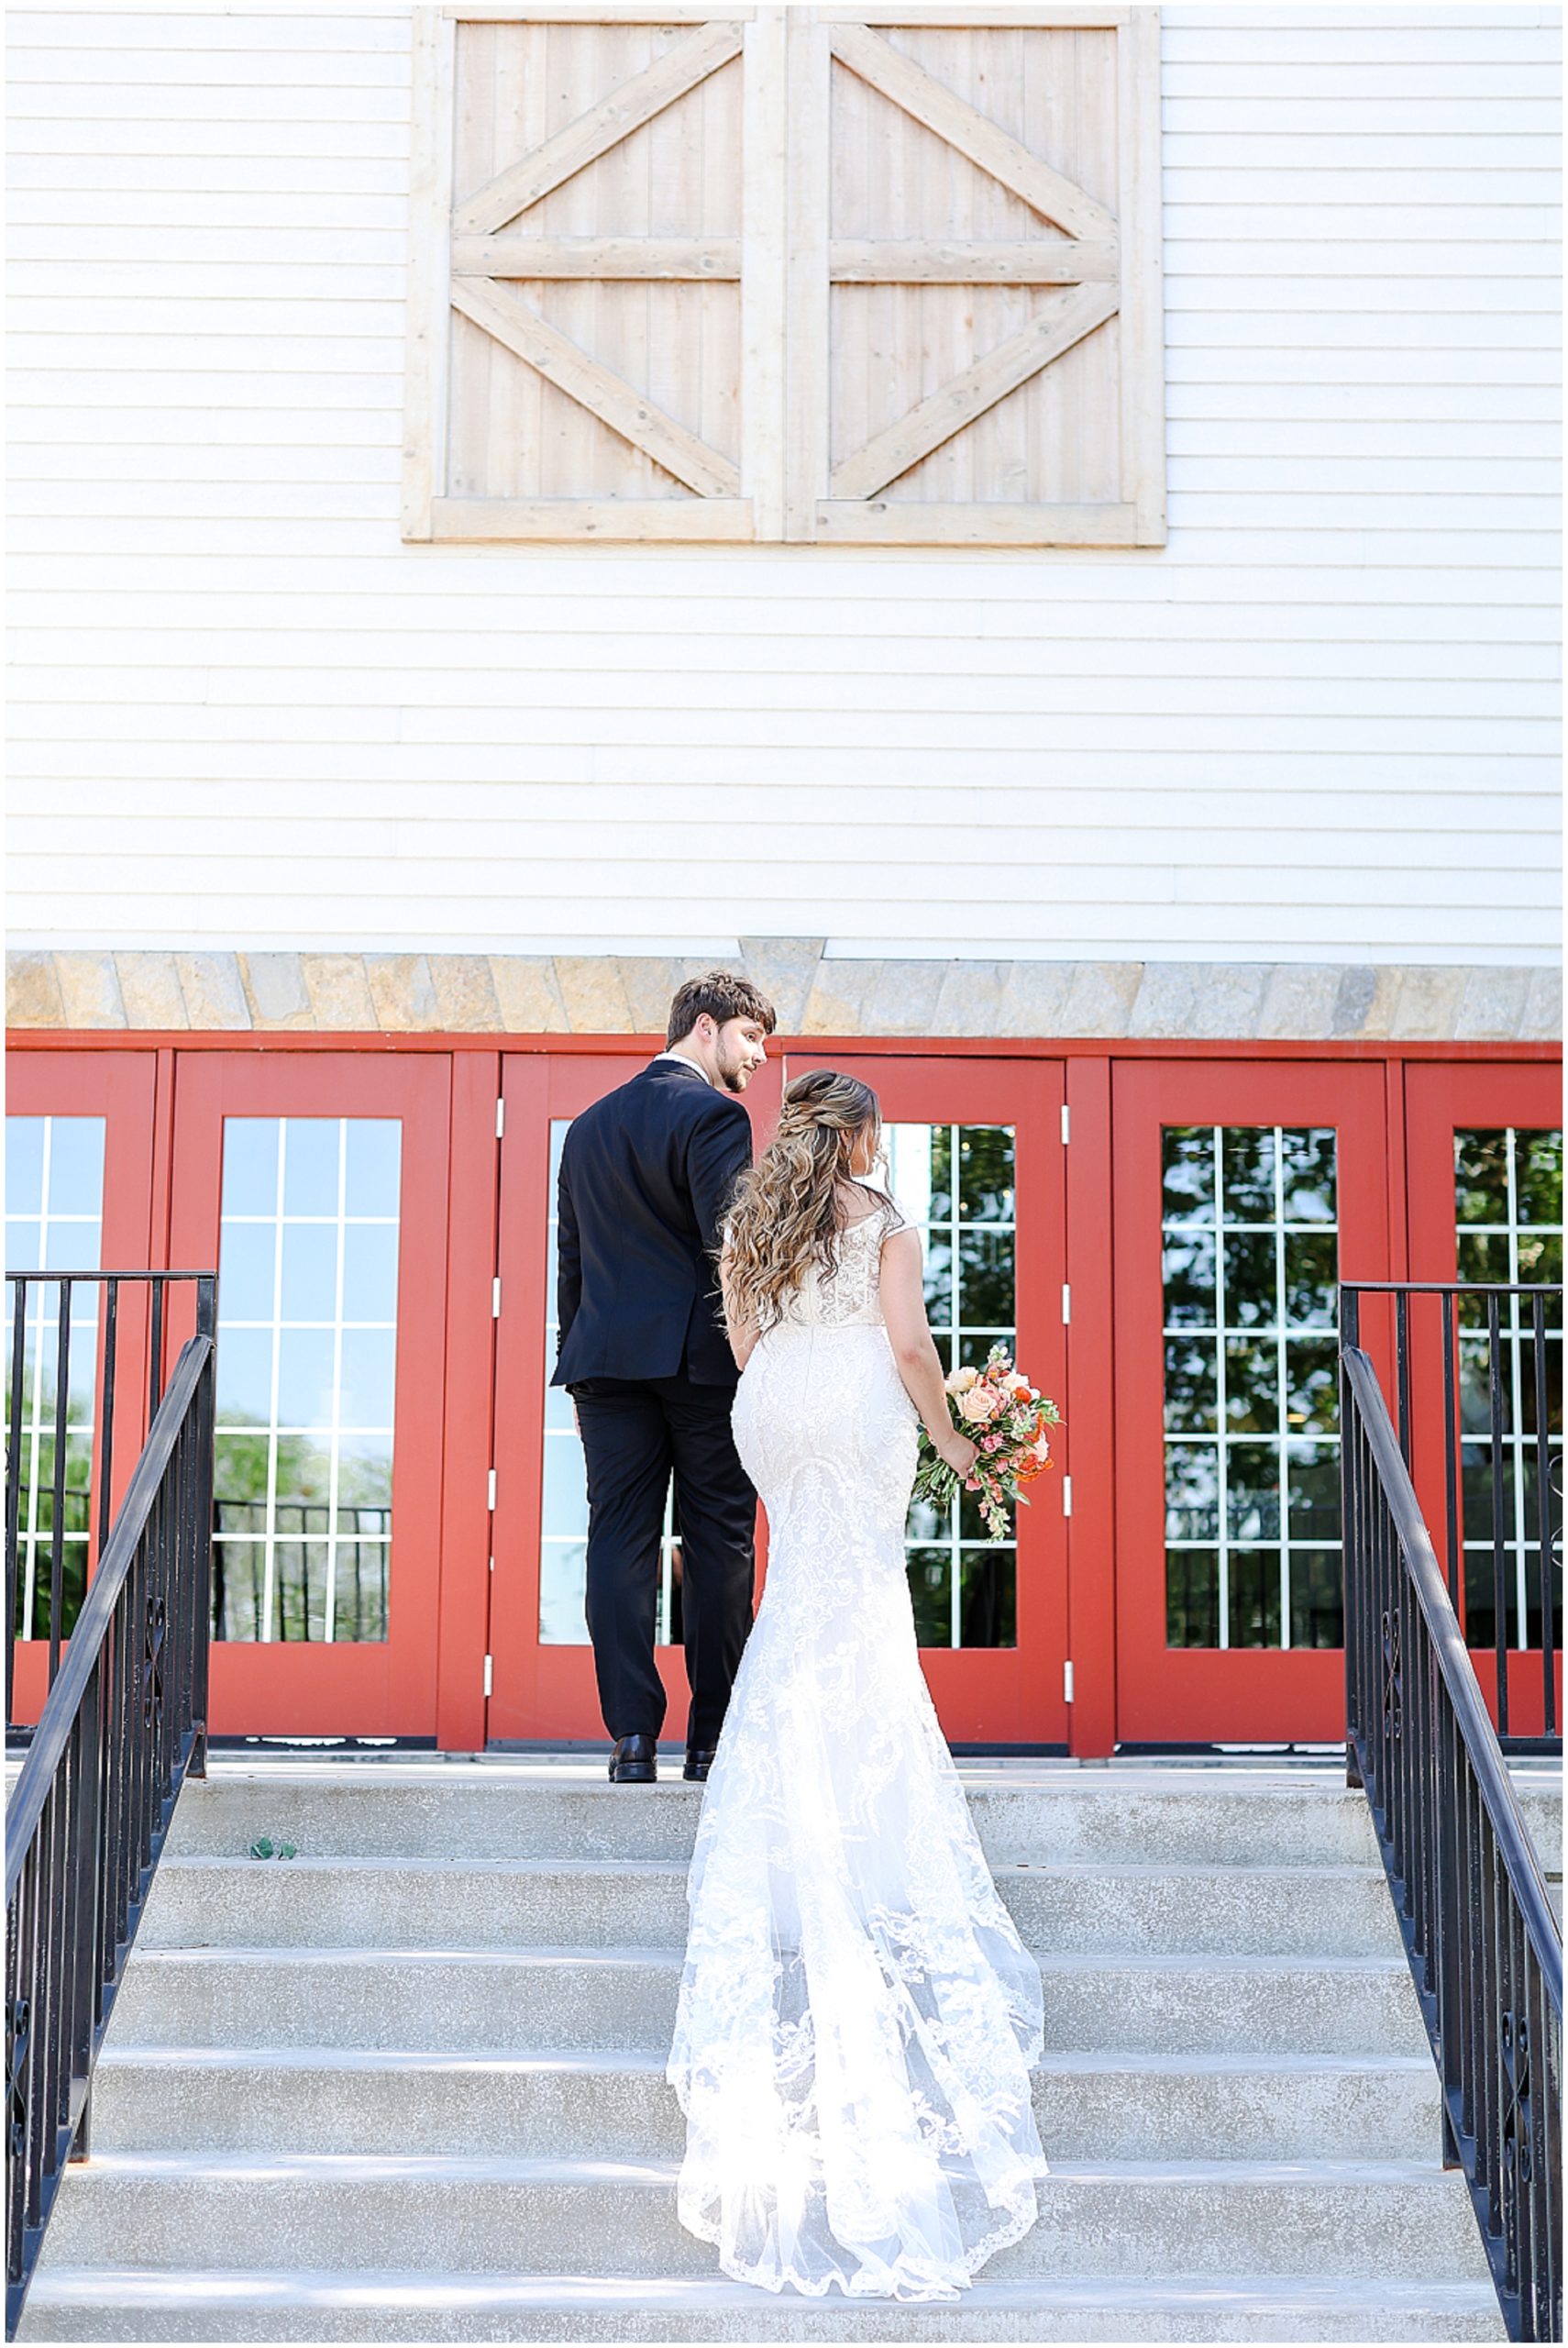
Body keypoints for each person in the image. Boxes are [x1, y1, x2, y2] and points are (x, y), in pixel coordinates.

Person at [668, 1069, 1047, 2299]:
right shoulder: (881, 1218)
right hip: (859, 1408)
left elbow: (738, 1336)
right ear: (867, 1134)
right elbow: (910, 1344)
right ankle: (859, 1824)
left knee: (798, 1603)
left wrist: (792, 1376)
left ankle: (792, 1812)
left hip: (772, 1406)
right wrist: (951, 1436)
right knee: (862, 1605)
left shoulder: (752, 1217)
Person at [553, 971, 776, 1784]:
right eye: (752, 1038)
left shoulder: (586, 1127)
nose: (759, 1058)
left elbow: (571, 1261)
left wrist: (575, 1359)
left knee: (618, 1541)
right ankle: (712, 1739)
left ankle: (631, 1740)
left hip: (605, 1364)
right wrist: (759, 1353)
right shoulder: (716, 1115)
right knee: (718, 1540)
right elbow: (733, 1246)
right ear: (706, 1027)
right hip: (701, 1364)